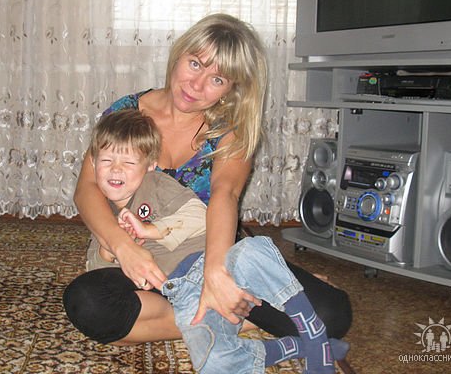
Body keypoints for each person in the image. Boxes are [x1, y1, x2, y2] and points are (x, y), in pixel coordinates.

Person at [63, 13, 352, 347]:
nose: (196, 85)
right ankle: (233, 319)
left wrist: (216, 274)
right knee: (88, 304)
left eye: (217, 79)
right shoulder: (126, 112)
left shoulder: (231, 130)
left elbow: (224, 195)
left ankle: (202, 311)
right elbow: (86, 189)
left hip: (203, 253)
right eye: (195, 64)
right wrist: (122, 246)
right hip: (140, 256)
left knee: (329, 316)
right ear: (178, 55)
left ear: (231, 89)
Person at [84, 109, 349, 373]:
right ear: (93, 163)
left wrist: (151, 230)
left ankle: (313, 334)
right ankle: (292, 347)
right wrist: (111, 250)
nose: (116, 169)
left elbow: (199, 216)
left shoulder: (155, 183)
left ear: (150, 164)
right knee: (213, 363)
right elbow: (97, 272)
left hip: (214, 263)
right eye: (107, 160)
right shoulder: (104, 214)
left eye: (128, 162)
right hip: (184, 293)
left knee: (252, 252)